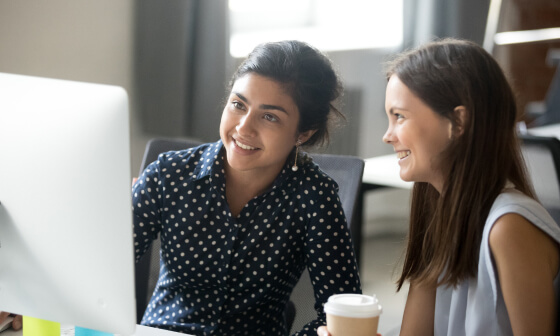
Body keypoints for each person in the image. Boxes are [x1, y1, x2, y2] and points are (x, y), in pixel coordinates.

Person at [319, 37, 560, 336]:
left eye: (399, 117)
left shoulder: (508, 228)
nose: (388, 136)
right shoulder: (440, 218)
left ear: (458, 122)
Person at [132, 40, 361, 336]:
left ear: (302, 133)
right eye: (238, 105)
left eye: (269, 116)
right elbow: (99, 267)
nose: (243, 128)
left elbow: (342, 315)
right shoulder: (168, 175)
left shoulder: (315, 197)